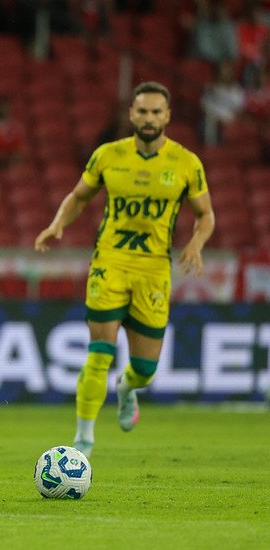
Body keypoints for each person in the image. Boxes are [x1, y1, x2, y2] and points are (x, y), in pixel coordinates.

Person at [34, 81, 215, 458]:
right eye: (142, 111)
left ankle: (128, 387)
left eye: (156, 112)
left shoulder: (186, 162)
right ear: (131, 114)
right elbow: (79, 195)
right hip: (109, 262)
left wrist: (196, 243)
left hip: (154, 269)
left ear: (167, 116)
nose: (148, 118)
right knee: (99, 351)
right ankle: (83, 439)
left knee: (145, 369)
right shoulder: (108, 155)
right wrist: (58, 223)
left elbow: (205, 214)